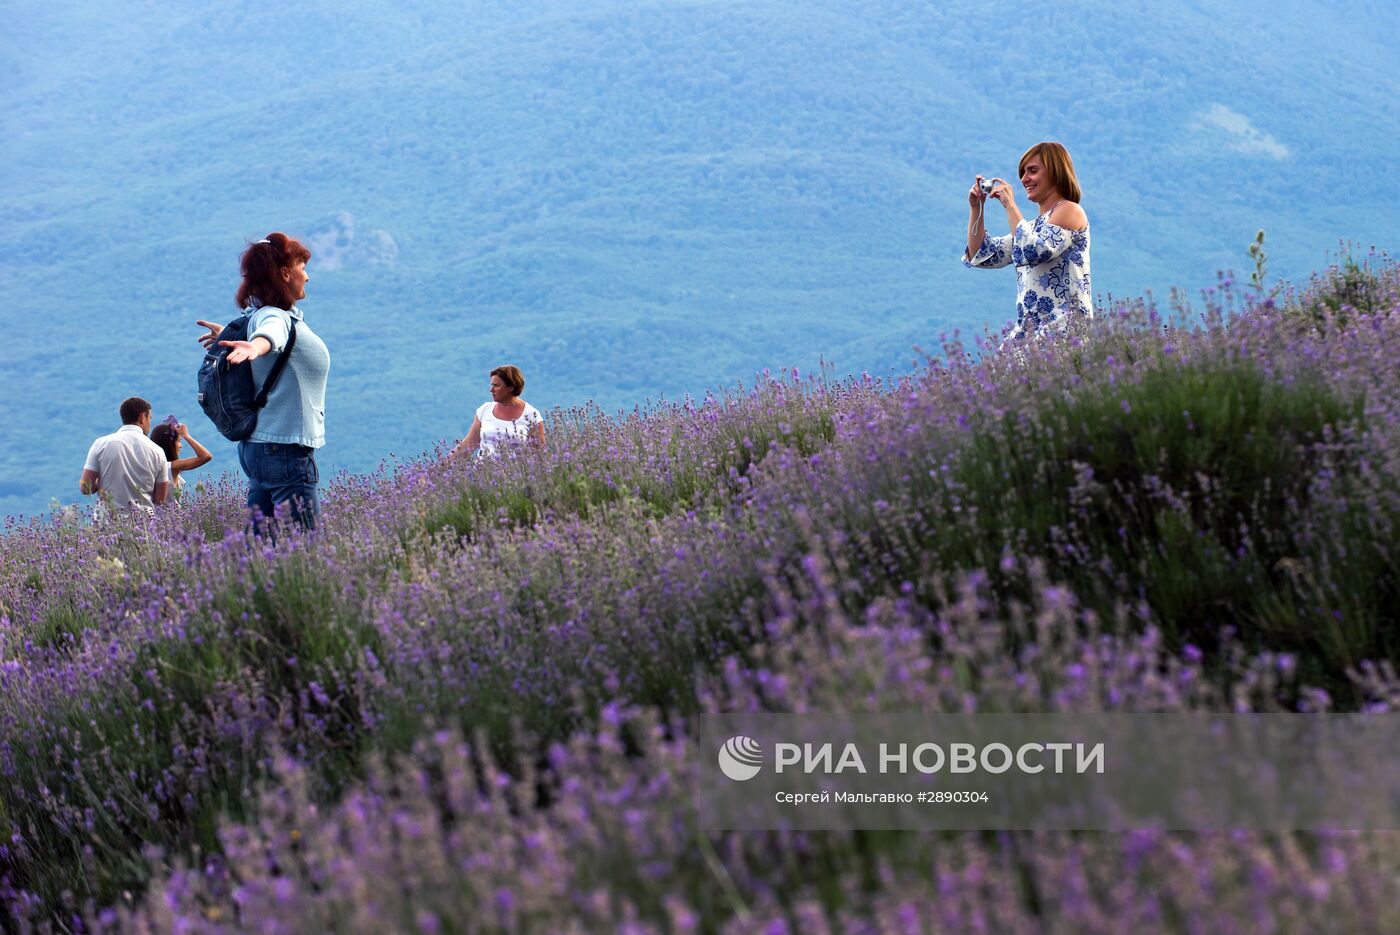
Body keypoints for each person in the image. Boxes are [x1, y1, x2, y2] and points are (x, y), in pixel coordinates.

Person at [196, 232, 329, 530]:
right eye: (302, 267)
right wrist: (255, 346)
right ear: (285, 274)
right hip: (284, 450)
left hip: (259, 447)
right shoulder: (275, 317)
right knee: (305, 548)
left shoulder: (257, 314)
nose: (307, 277)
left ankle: (245, 577)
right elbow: (271, 334)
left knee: (261, 546)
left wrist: (231, 339)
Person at [963, 141, 1091, 346]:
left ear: (1055, 172)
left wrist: (1010, 205)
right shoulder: (1031, 228)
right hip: (1029, 334)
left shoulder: (1070, 210)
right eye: (1022, 172)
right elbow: (981, 255)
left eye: (1032, 171)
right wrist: (976, 208)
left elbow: (1032, 251)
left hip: (1064, 329)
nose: (1024, 179)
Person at [79, 397, 171, 519]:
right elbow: (160, 500)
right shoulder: (157, 451)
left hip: (107, 523)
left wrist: (102, 481)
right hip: (144, 525)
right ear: (142, 417)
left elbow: (86, 487)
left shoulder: (101, 444)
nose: (149, 422)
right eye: (150, 418)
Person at [449, 365, 545, 459]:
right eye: (492, 385)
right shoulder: (484, 410)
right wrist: (444, 466)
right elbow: (468, 445)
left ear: (511, 387)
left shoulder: (532, 415)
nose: (491, 390)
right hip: (482, 471)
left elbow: (539, 455)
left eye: (496, 385)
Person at [148, 417, 213, 498]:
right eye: (178, 441)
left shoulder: (150, 466)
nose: (180, 446)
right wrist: (186, 436)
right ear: (170, 445)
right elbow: (206, 456)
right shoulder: (171, 466)